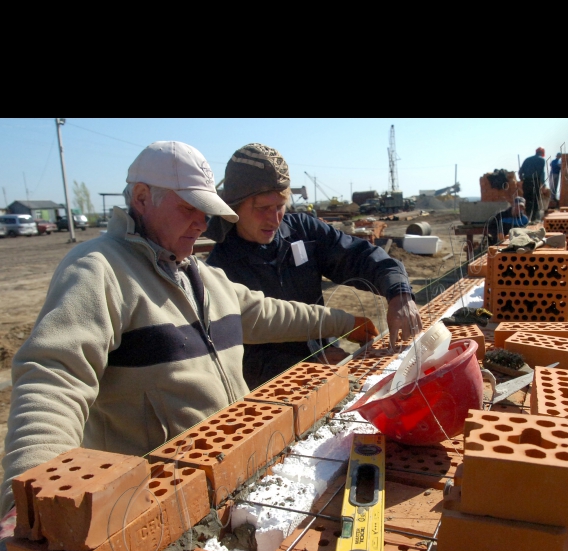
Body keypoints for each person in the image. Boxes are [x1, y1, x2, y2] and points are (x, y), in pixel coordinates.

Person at [0, 141, 371, 526]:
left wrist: (344, 322)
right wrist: (28, 499)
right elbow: (53, 378)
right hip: (154, 505)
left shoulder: (198, 273)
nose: (202, 223)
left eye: (206, 211)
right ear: (142, 198)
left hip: (229, 481)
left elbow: (265, 314)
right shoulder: (99, 271)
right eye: (188, 208)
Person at [205, 143, 423, 390]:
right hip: (276, 393)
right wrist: (306, 364)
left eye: (279, 206)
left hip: (328, 369)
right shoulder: (219, 270)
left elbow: (360, 256)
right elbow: (235, 359)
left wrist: (399, 293)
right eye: (262, 208)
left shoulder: (302, 231)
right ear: (233, 207)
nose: (274, 219)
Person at [518, 147, 547, 222]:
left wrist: (522, 180)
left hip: (526, 182)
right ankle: (534, 218)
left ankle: (526, 218)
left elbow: (520, 171)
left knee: (526, 200)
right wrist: (543, 184)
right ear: (542, 153)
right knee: (535, 200)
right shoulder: (541, 160)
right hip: (535, 182)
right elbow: (542, 173)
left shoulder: (527, 159)